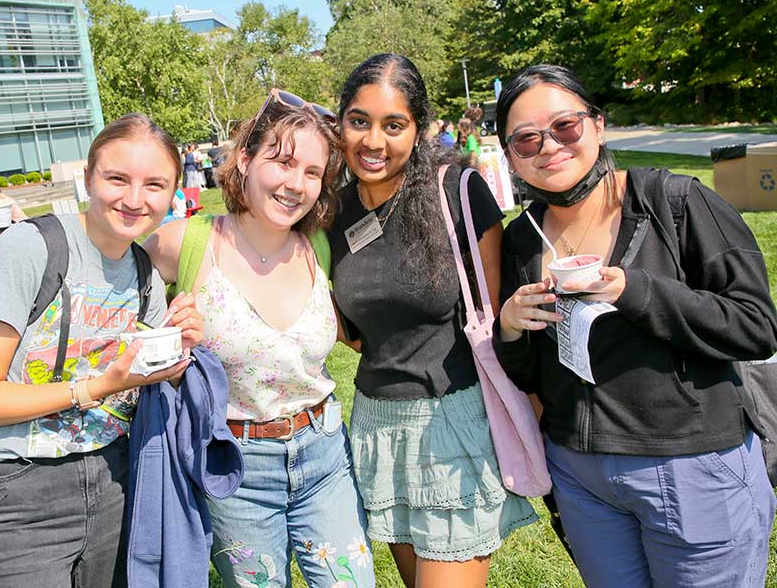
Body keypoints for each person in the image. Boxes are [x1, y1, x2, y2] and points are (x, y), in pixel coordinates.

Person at [493, 64, 777, 588]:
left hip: (693, 466)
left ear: (597, 126)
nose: (548, 147)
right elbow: (530, 373)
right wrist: (509, 329)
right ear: (511, 155)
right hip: (583, 478)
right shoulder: (523, 238)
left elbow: (755, 325)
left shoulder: (675, 203)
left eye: (565, 127)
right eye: (526, 139)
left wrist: (634, 290)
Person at [0, 112, 204, 587]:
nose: (133, 199)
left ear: (174, 193)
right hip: (13, 485)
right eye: (117, 178)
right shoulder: (29, 248)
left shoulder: (144, 272)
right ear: (88, 179)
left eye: (154, 184)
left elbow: (135, 380)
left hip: (114, 478)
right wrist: (96, 387)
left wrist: (174, 348)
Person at [145, 88, 376, 588]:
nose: (296, 184)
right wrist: (160, 335)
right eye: (283, 162)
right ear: (245, 159)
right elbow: (113, 296)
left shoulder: (319, 245)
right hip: (234, 469)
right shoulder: (185, 242)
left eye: (312, 173)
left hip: (325, 456)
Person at [328, 53, 537, 588]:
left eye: (393, 125)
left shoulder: (457, 191)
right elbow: (352, 331)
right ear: (340, 123)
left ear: (417, 130)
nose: (373, 141)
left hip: (452, 419)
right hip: (374, 424)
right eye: (359, 121)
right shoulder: (333, 211)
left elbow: (488, 315)